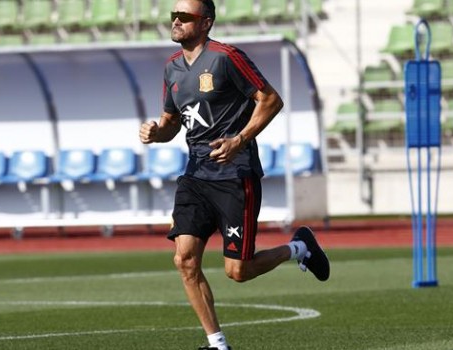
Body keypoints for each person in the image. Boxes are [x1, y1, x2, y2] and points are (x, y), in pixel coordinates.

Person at [138, 1, 330, 349]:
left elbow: (270, 100)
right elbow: (172, 124)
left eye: (186, 16)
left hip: (234, 176)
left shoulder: (227, 57)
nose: (177, 21)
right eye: (174, 16)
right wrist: (155, 133)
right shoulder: (171, 69)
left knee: (237, 272)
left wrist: (240, 140)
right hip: (195, 176)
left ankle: (300, 247)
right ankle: (217, 345)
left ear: (206, 23)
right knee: (184, 259)